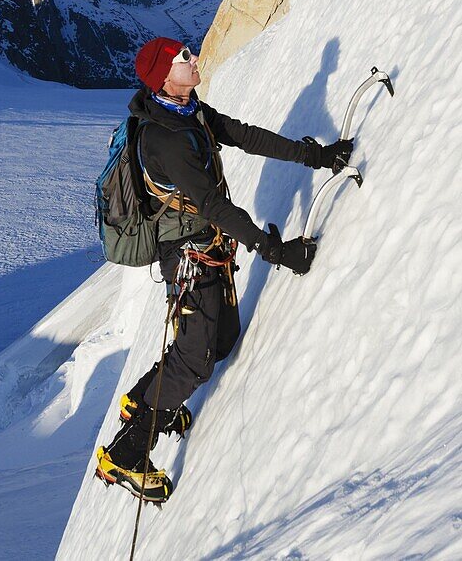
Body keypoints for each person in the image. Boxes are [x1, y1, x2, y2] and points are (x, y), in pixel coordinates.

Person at [95, 37, 353, 503]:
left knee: (222, 339)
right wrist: (273, 250)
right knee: (195, 360)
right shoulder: (166, 138)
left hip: (205, 243)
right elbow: (212, 204)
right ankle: (126, 453)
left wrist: (314, 156)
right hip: (188, 254)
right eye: (182, 59)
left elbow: (243, 134)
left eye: (188, 53)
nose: (193, 60)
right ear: (162, 77)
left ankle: (146, 399)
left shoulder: (186, 110)